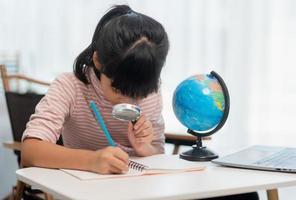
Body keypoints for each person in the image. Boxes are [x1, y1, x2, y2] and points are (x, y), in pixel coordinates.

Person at [21, 4, 258, 200]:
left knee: (242, 195)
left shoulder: (150, 93)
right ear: (98, 61)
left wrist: (144, 148)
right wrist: (92, 160)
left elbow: (156, 155)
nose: (127, 100)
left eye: (137, 94)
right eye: (118, 89)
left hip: (142, 193)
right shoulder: (70, 87)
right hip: (90, 192)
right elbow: (31, 151)